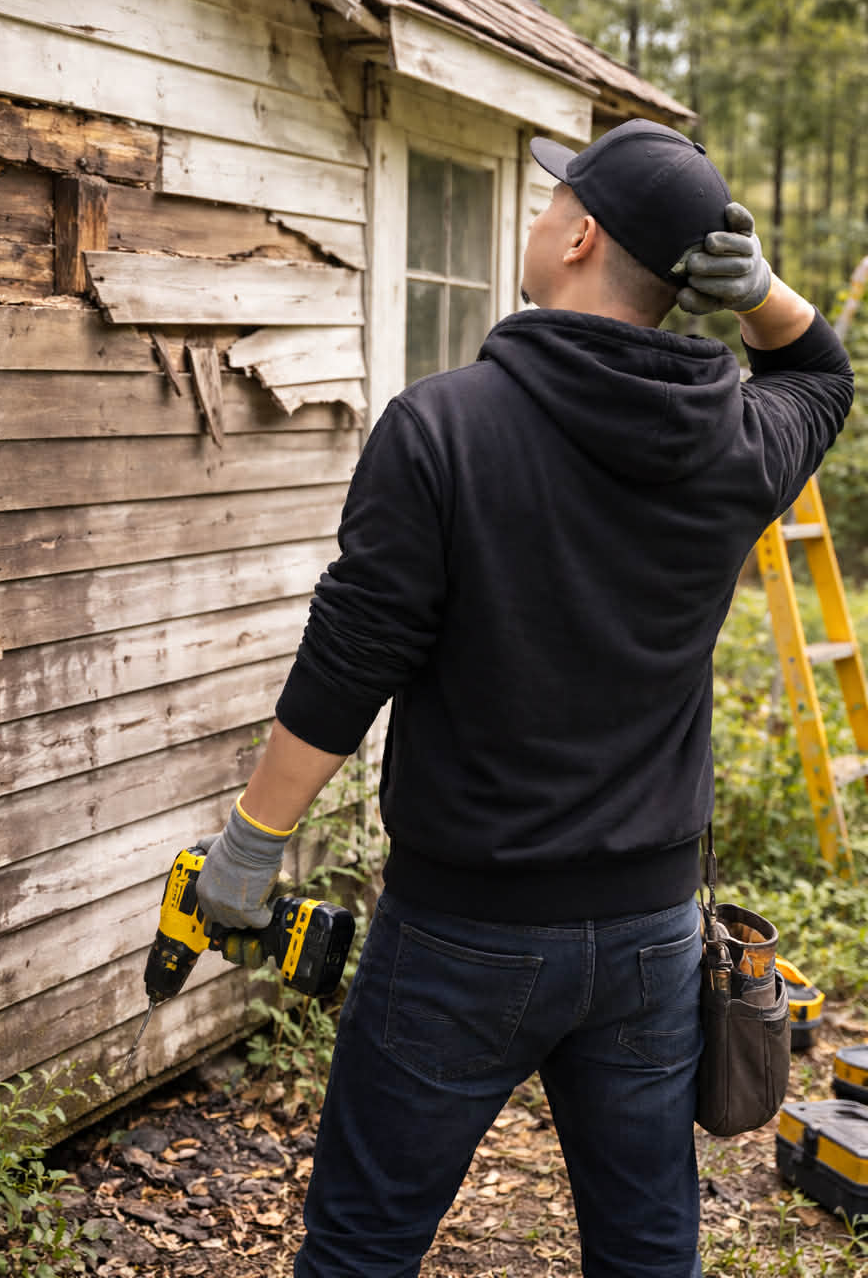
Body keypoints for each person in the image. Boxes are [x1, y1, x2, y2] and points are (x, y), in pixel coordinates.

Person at [195, 118, 854, 1278]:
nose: (539, 214)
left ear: (582, 236)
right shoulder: (736, 442)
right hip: (652, 936)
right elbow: (819, 371)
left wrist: (250, 849)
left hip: (463, 933)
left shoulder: (443, 426)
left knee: (362, 1243)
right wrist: (762, 294)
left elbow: (353, 660)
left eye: (555, 201)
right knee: (648, 1247)